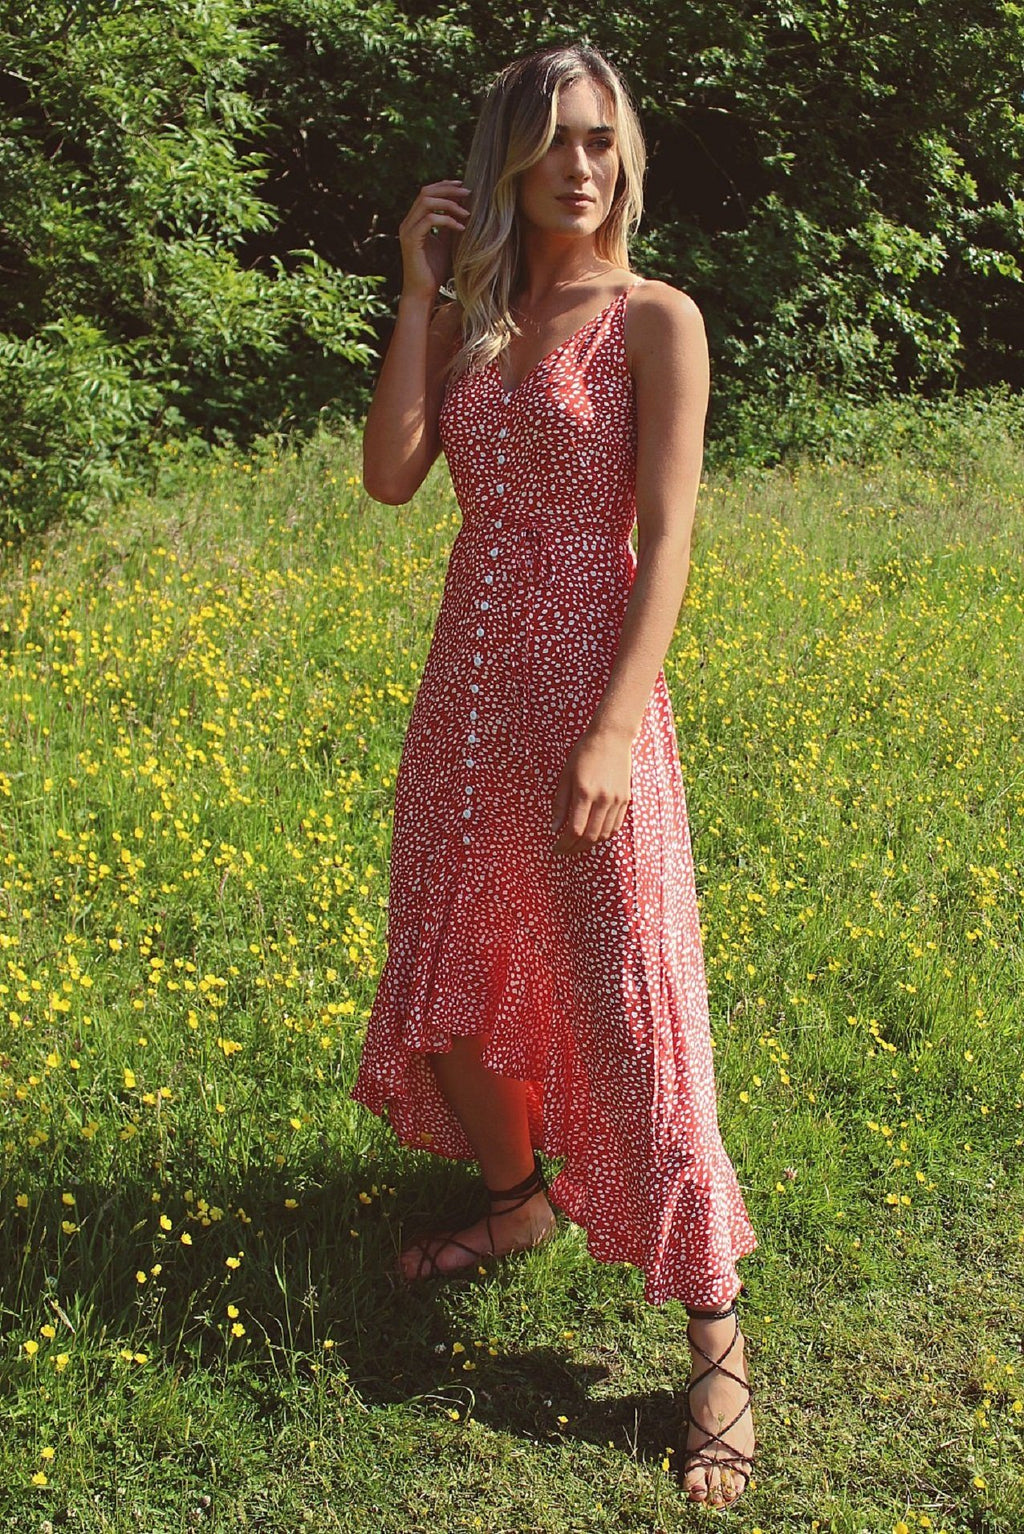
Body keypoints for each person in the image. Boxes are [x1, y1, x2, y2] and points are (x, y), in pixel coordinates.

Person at [351, 43, 759, 1511]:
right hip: (466, 703)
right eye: (553, 143)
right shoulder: (475, 318)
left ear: (624, 156)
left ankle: (714, 1331)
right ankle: (518, 1204)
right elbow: (395, 474)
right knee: (453, 963)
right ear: (512, 159)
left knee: (628, 994)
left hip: (591, 700)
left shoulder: (656, 319)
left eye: (601, 140)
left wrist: (612, 720)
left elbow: (668, 536)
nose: (581, 166)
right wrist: (417, 284)